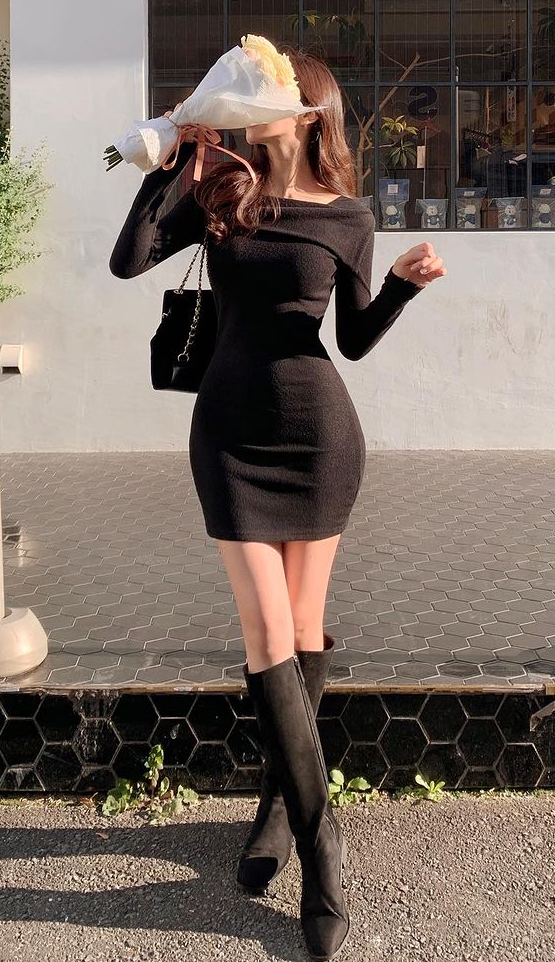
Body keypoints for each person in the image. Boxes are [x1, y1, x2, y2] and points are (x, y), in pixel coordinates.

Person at [109, 49, 446, 960]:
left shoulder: (348, 215)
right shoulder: (223, 191)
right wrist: (173, 161)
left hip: (319, 436)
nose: (243, 106)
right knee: (266, 637)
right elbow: (128, 260)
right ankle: (321, 844)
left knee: (301, 632)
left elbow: (354, 339)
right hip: (227, 437)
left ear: (306, 115)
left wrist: (402, 287)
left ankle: (274, 808)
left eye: (262, 96)